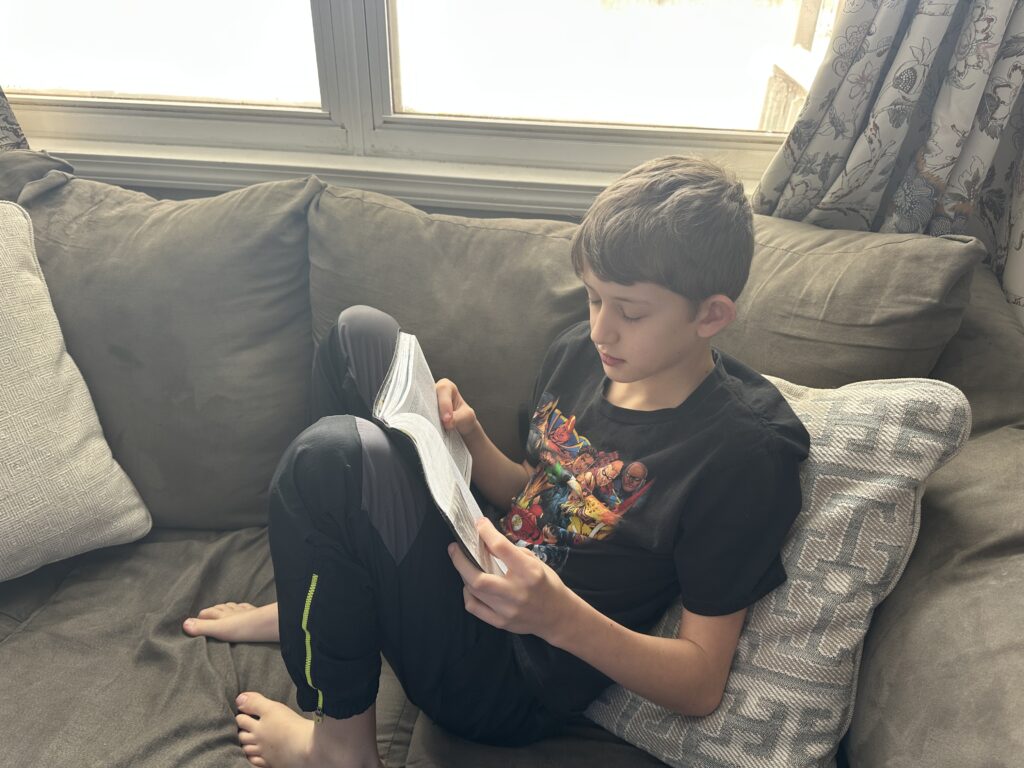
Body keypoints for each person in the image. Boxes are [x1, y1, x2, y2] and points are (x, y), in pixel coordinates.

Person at [182, 154, 811, 768]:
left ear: (711, 315)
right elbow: (542, 496)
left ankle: (340, 748)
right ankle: (316, 611)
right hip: (476, 564)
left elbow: (701, 681)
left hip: (511, 673)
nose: (601, 330)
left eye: (631, 311)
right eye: (593, 299)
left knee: (329, 459)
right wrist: (472, 441)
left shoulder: (743, 455)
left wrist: (560, 617)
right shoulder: (582, 356)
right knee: (358, 335)